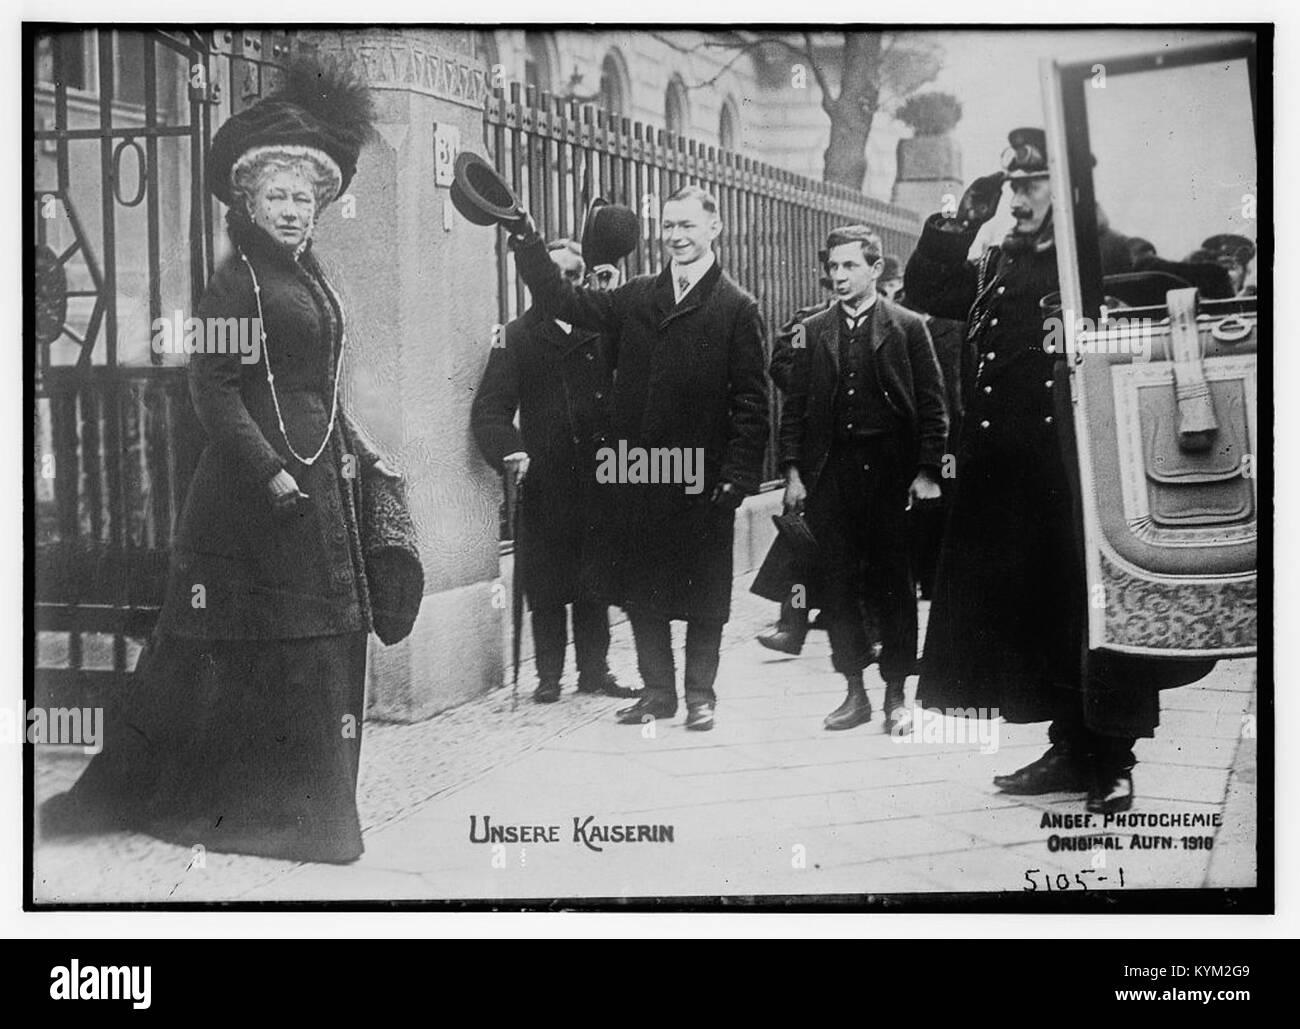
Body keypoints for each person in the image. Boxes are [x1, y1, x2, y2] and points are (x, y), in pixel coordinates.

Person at [39, 59, 403, 863]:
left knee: (321, 639)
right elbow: (211, 386)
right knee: (256, 645)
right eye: (277, 196)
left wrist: (363, 445)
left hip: (319, 477)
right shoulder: (235, 281)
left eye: (304, 198)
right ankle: (249, 810)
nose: (293, 210)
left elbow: (321, 383)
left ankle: (312, 816)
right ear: (248, 201)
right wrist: (269, 468)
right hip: (251, 494)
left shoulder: (312, 276)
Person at [906, 127, 1212, 814]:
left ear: (1069, 187)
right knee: (1035, 619)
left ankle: (1113, 760)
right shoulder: (1001, 258)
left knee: (1094, 617)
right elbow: (928, 286)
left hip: (1080, 474)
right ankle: (1067, 747)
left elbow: (1181, 291)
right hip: (1008, 477)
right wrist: (963, 222)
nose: (1019, 195)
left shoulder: (1103, 253)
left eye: (1033, 182)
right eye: (1013, 182)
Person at [507, 185, 770, 731]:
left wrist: (736, 478)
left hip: (700, 474)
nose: (676, 236)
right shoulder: (638, 297)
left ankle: (700, 694)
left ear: (714, 228)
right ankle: (658, 693)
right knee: (641, 588)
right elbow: (566, 302)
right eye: (669, 225)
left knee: (704, 594)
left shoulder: (737, 308)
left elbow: (751, 402)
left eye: (688, 226)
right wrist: (528, 239)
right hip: (638, 471)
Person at [779, 225, 947, 733]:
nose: (839, 276)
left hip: (890, 474)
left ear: (875, 269)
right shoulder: (813, 328)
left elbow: (934, 406)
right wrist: (792, 473)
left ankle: (898, 693)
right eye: (833, 267)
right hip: (832, 475)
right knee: (836, 586)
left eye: (850, 266)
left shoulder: (908, 326)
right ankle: (855, 692)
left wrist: (926, 471)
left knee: (894, 583)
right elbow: (796, 409)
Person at [471, 239, 636, 703]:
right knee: (544, 585)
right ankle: (548, 675)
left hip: (599, 478)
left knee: (594, 581)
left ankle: (595, 671)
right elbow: (490, 410)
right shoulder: (515, 335)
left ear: (581, 281)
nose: (563, 283)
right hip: (544, 481)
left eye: (572, 275)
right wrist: (511, 452)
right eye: (554, 273)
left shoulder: (603, 333)